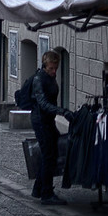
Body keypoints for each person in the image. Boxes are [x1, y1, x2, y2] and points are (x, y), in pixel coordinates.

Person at [30, 51, 74, 205]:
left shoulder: (50, 78)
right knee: (49, 155)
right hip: (41, 120)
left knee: (51, 154)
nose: (54, 71)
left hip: (48, 120)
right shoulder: (39, 79)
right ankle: (46, 193)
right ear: (44, 65)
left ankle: (39, 188)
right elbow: (42, 103)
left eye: (56, 68)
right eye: (51, 68)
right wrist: (62, 111)